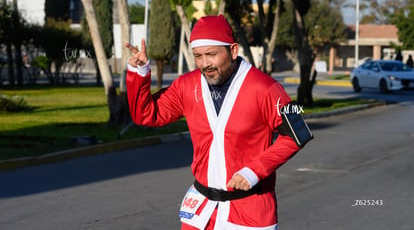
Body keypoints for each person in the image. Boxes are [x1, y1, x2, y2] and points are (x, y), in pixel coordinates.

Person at [125, 15, 313, 230]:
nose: (205, 64)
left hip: (249, 213)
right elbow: (146, 114)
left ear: (233, 50)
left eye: (211, 55)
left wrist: (254, 171)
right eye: (198, 56)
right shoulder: (186, 85)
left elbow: (298, 133)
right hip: (200, 212)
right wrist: (139, 72)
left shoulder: (266, 88)